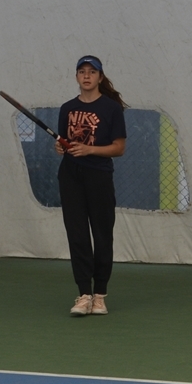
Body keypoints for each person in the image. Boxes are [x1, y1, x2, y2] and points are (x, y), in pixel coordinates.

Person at [55, 55, 126, 316]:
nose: (86, 76)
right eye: (82, 71)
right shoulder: (67, 108)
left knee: (102, 234)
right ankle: (84, 294)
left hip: (99, 177)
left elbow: (119, 148)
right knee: (77, 235)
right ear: (76, 76)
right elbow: (64, 141)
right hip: (70, 177)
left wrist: (89, 150)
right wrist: (60, 147)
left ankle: (100, 296)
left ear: (100, 77)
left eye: (92, 72)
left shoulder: (111, 108)